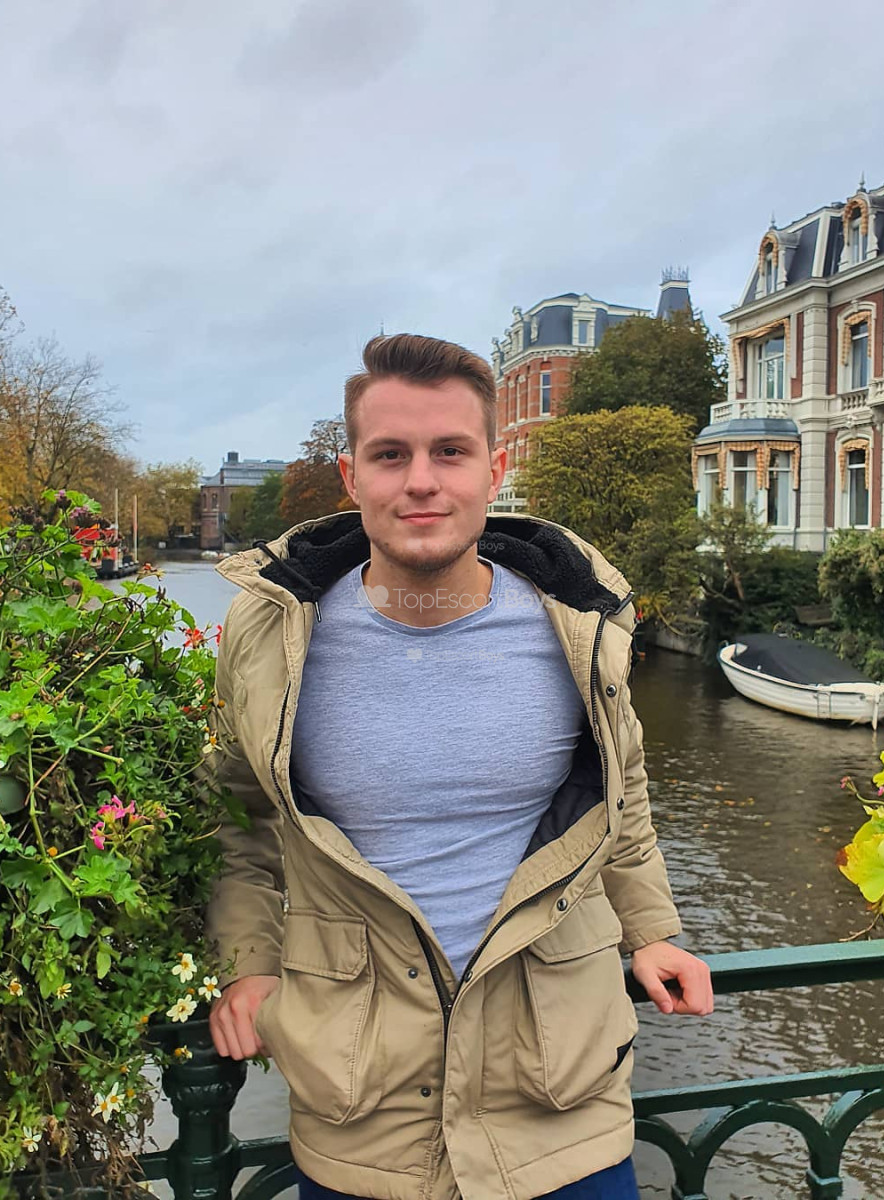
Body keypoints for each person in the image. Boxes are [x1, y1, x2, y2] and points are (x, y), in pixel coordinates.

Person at [203, 333, 713, 1200]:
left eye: (450, 451)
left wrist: (652, 930)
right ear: (350, 476)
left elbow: (618, 796)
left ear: (494, 468)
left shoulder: (577, 624)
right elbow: (238, 816)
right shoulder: (269, 636)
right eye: (390, 455)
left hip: (559, 1094)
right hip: (361, 1105)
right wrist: (249, 962)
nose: (422, 481)